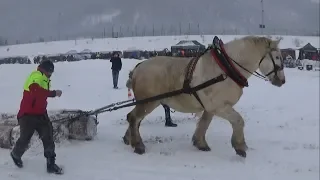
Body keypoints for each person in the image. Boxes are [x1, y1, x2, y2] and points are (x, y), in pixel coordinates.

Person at [10, 60, 63, 175]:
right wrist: (53, 93)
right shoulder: (36, 75)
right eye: (50, 72)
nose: (51, 75)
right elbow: (35, 90)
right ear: (46, 70)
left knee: (48, 137)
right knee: (25, 138)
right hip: (28, 115)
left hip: (41, 114)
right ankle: (16, 154)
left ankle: (51, 163)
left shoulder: (44, 78)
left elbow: (41, 95)